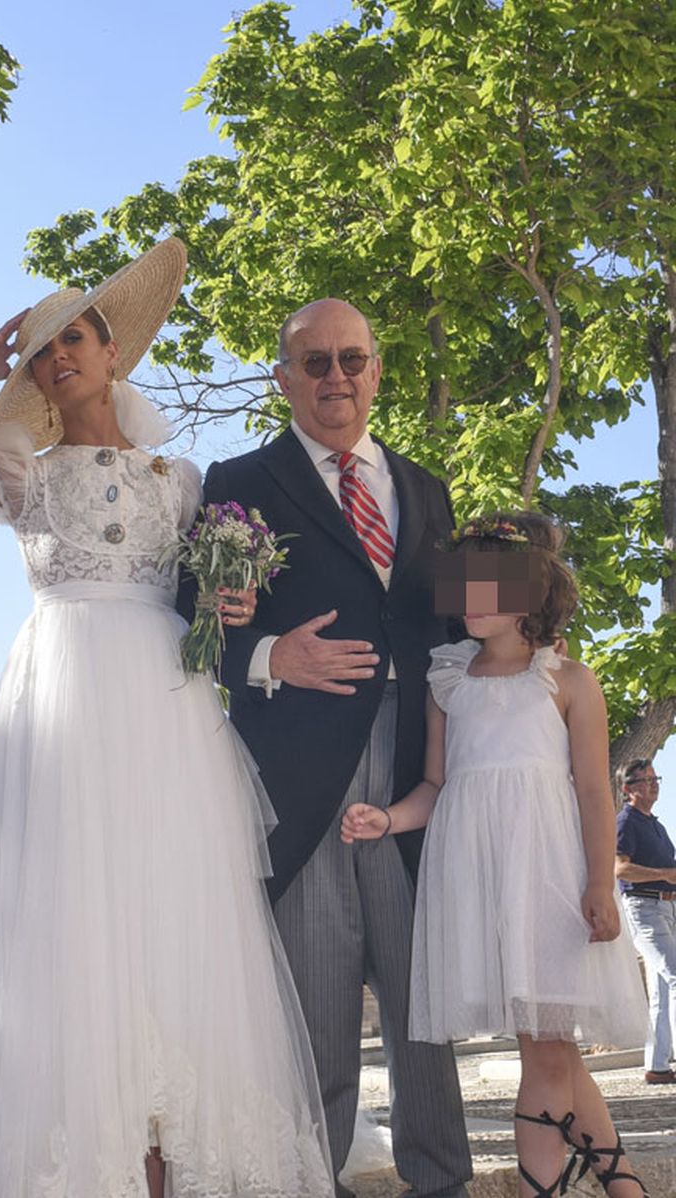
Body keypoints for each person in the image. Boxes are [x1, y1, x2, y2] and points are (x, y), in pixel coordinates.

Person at [0, 237, 334, 1198]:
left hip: (167, 708)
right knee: (82, 918)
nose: (58, 355)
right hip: (64, 704)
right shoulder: (19, 474)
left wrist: (235, 606)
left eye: (72, 337)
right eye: (41, 350)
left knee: (178, 911)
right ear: (32, 375)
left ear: (114, 352)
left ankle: (186, 1156)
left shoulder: (183, 481)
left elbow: (210, 607)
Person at [193, 298, 470, 1198]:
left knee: (423, 996)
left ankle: (443, 1180)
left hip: (417, 767)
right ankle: (315, 1180)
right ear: (283, 379)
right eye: (314, 362)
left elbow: (457, 623)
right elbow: (191, 619)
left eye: (352, 358)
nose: (336, 376)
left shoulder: (426, 488)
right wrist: (272, 655)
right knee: (317, 1003)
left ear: (377, 371)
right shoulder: (238, 479)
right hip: (302, 772)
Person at [342, 512, 649, 1198]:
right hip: (477, 882)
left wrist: (599, 885)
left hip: (548, 881)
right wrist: (386, 819)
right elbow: (436, 785)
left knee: (547, 1050)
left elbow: (594, 793)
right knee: (550, 1049)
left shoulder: (569, 680)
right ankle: (625, 1186)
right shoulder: (449, 680)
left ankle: (546, 1187)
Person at [615, 759, 676, 1085]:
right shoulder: (626, 821)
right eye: (646, 780)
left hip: (666, 908)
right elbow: (620, 869)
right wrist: (665, 873)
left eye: (656, 778)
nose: (654, 785)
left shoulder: (657, 826)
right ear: (628, 789)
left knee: (662, 989)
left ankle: (658, 1066)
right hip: (644, 908)